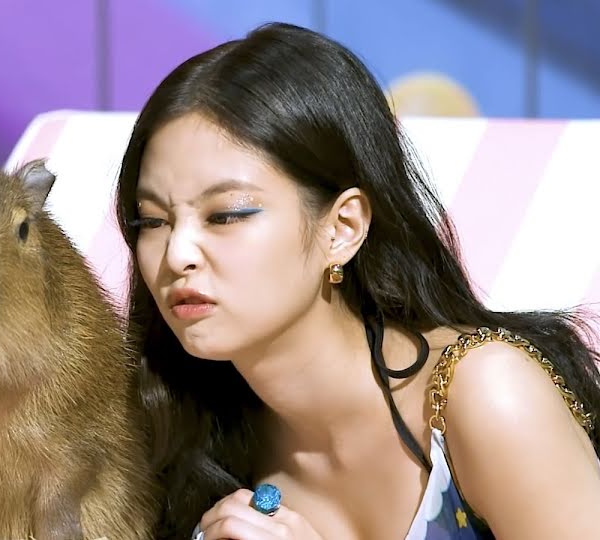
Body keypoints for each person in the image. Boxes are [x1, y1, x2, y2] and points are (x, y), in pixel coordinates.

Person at [114, 22, 600, 539]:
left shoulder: (485, 393)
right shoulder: (168, 435)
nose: (177, 254)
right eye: (153, 221)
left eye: (225, 215)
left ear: (342, 229)